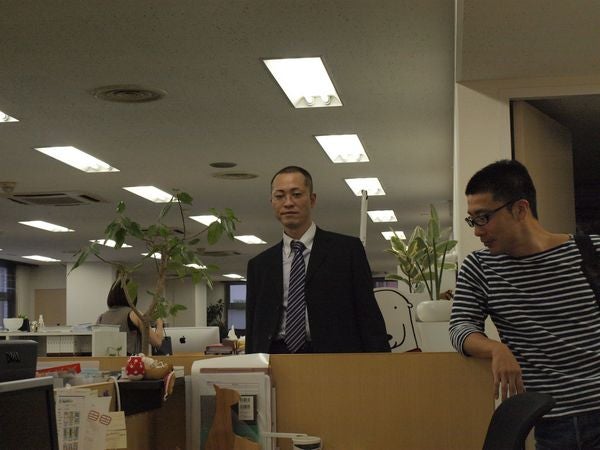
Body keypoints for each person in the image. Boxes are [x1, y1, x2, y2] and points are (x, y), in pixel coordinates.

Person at [449, 159, 600, 449]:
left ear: (520, 209)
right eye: (473, 220)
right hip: (549, 420)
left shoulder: (591, 250)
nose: (477, 231)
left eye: (483, 218)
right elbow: (460, 327)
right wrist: (496, 348)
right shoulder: (480, 267)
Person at [245, 165, 390, 354]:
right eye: (279, 196)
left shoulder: (347, 251)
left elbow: (368, 315)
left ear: (312, 199)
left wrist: (381, 364)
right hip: (275, 356)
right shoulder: (259, 265)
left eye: (296, 194)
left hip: (331, 357)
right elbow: (254, 328)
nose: (288, 203)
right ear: (272, 201)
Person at [97, 281, 164, 355]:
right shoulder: (135, 314)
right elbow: (157, 342)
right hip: (130, 361)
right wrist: (159, 323)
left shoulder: (101, 318)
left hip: (106, 361)